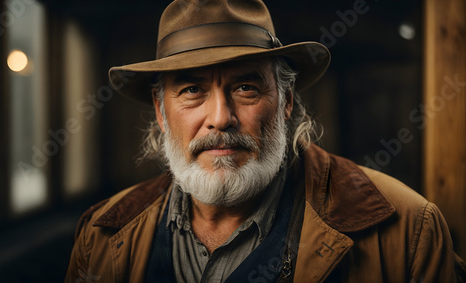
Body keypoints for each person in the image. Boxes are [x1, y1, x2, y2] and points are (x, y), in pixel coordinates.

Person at [65, 0, 466, 282]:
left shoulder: (407, 231)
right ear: (159, 109)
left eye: (245, 87)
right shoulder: (101, 234)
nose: (220, 118)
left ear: (286, 100)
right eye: (192, 90)